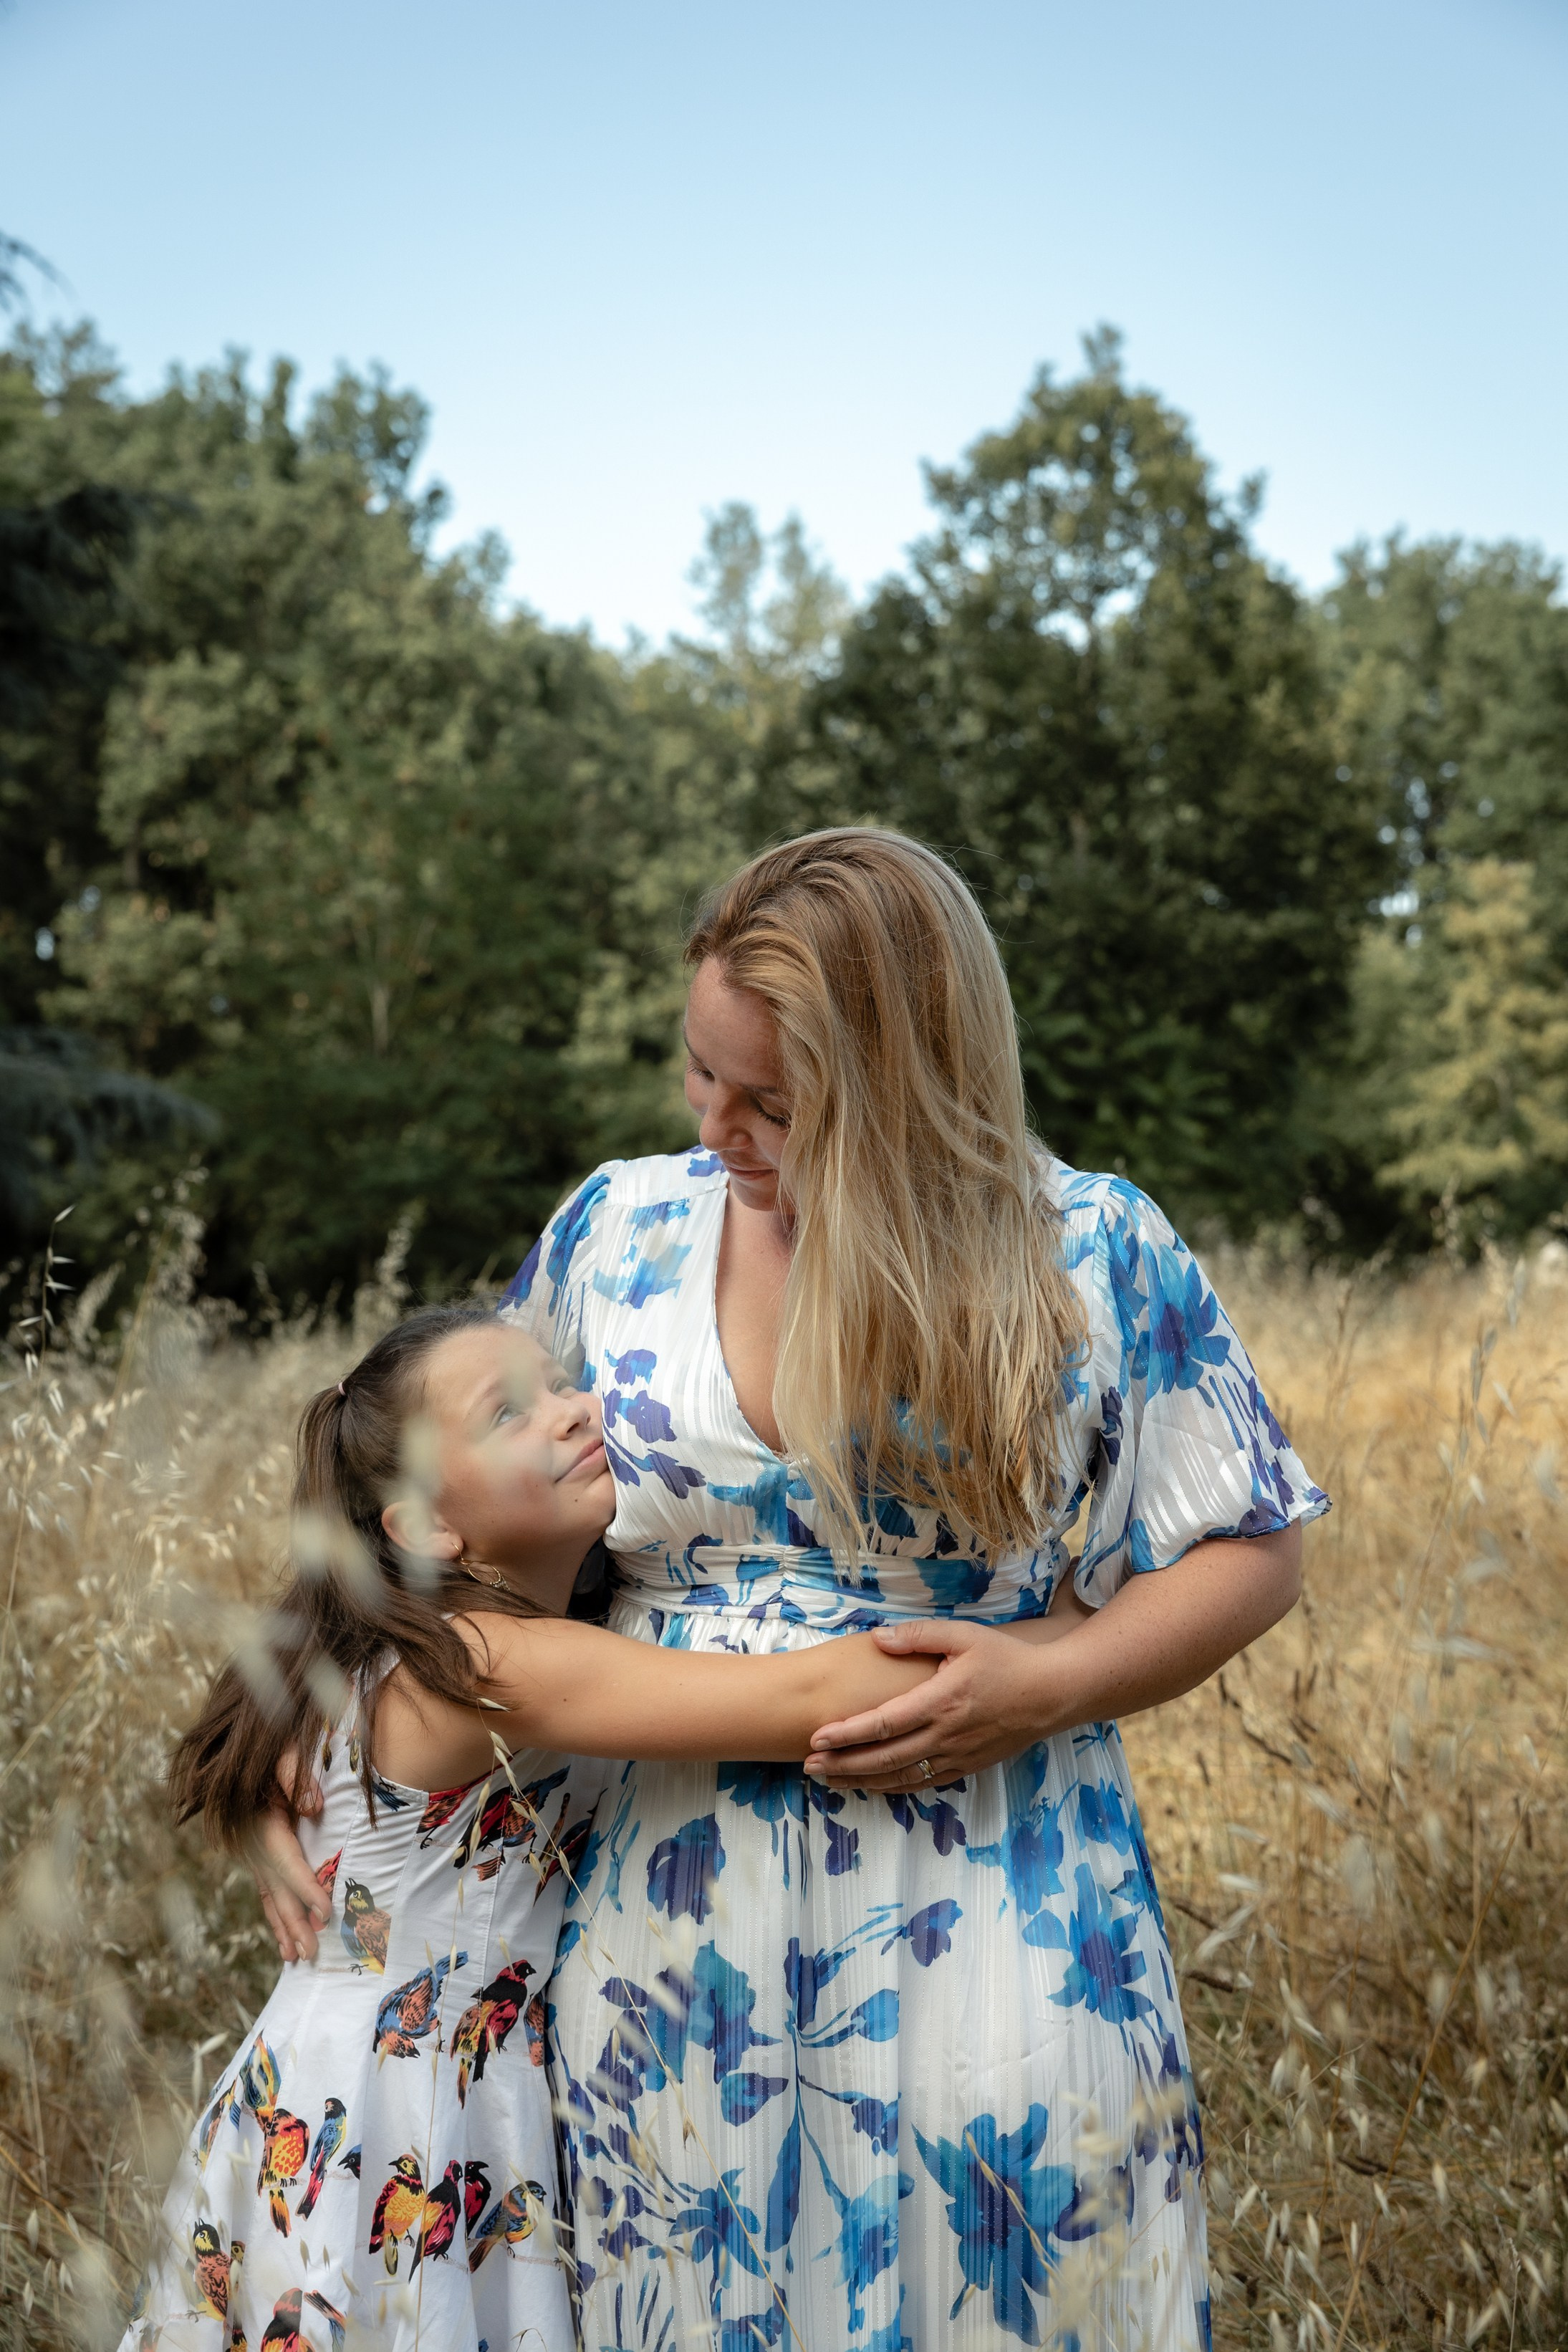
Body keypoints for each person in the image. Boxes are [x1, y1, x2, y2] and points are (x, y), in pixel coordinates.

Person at [254, 827, 1324, 2351]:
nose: (721, 1127)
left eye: (774, 1098)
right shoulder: (617, 1228)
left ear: (906, 1082)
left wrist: (1054, 1680)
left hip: (1004, 1905)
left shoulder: (1087, 1249)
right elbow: (432, 1502)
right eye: (703, 1076)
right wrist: (300, 1736)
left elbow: (1256, 1538)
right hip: (669, 1963)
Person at [128, 1301, 1065, 2351]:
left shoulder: (422, 1640)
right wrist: (1070, 1624)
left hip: (354, 2089)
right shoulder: (487, 1663)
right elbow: (806, 1695)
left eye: (563, 1384)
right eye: (508, 1413)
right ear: (431, 1527)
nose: (575, 1413)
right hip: (396, 2115)